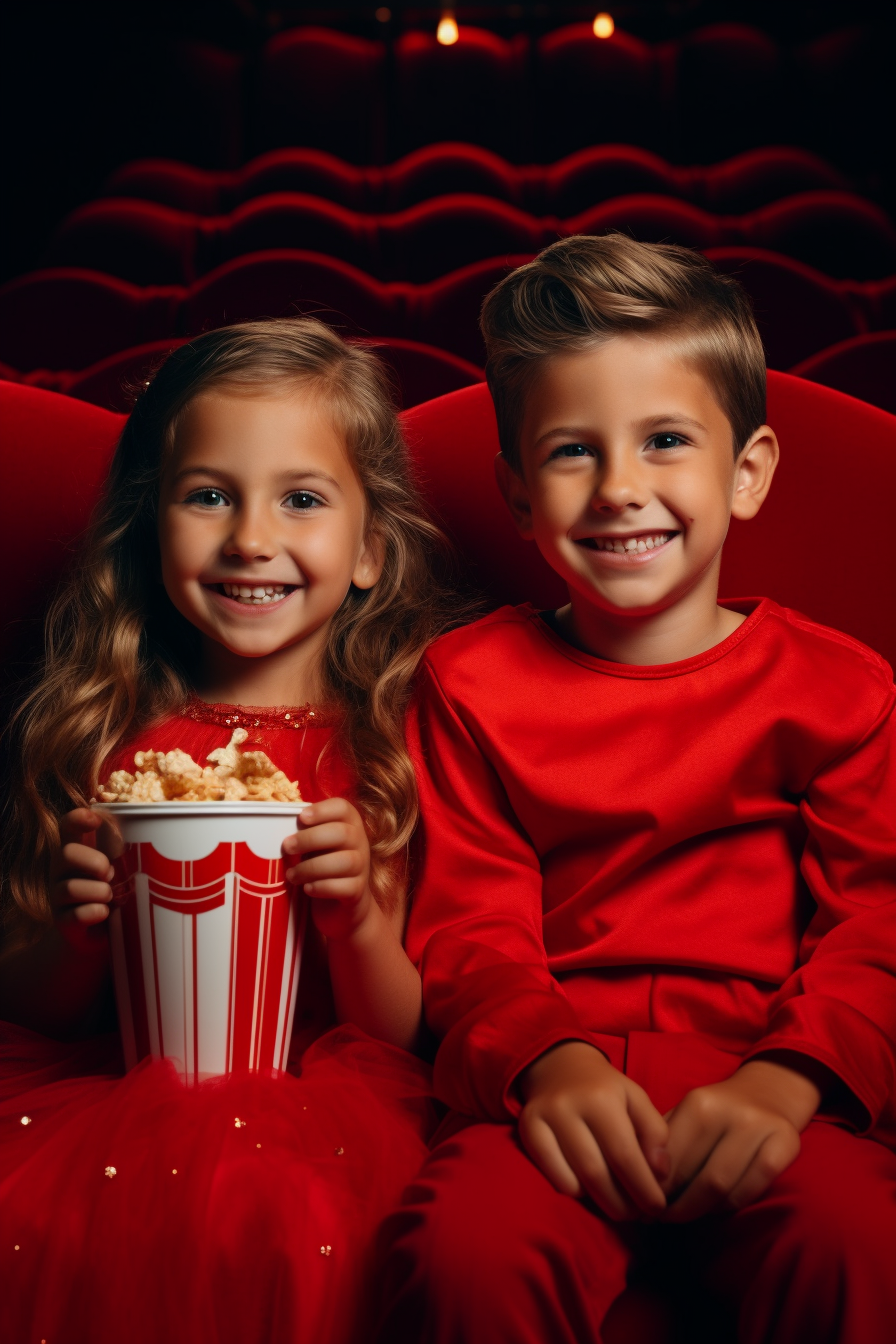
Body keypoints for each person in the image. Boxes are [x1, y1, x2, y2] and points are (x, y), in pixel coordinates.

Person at [375, 235, 896, 1344]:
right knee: (466, 1253)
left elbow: (875, 926)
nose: (619, 489)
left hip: (766, 1080)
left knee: (861, 1243)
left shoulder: (841, 689)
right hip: (551, 1093)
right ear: (516, 493)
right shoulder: (464, 684)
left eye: (663, 440)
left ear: (744, 472)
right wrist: (545, 1065)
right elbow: (467, 926)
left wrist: (788, 1082)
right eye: (571, 451)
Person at [0, 318, 460, 1344]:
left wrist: (357, 924)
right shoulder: (107, 732)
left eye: (300, 499)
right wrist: (74, 933)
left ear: (370, 552)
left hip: (324, 1109)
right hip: (118, 1098)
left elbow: (398, 1032)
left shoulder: (393, 745)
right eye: (208, 495)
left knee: (286, 1221)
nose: (251, 537)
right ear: (150, 529)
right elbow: (34, 1008)